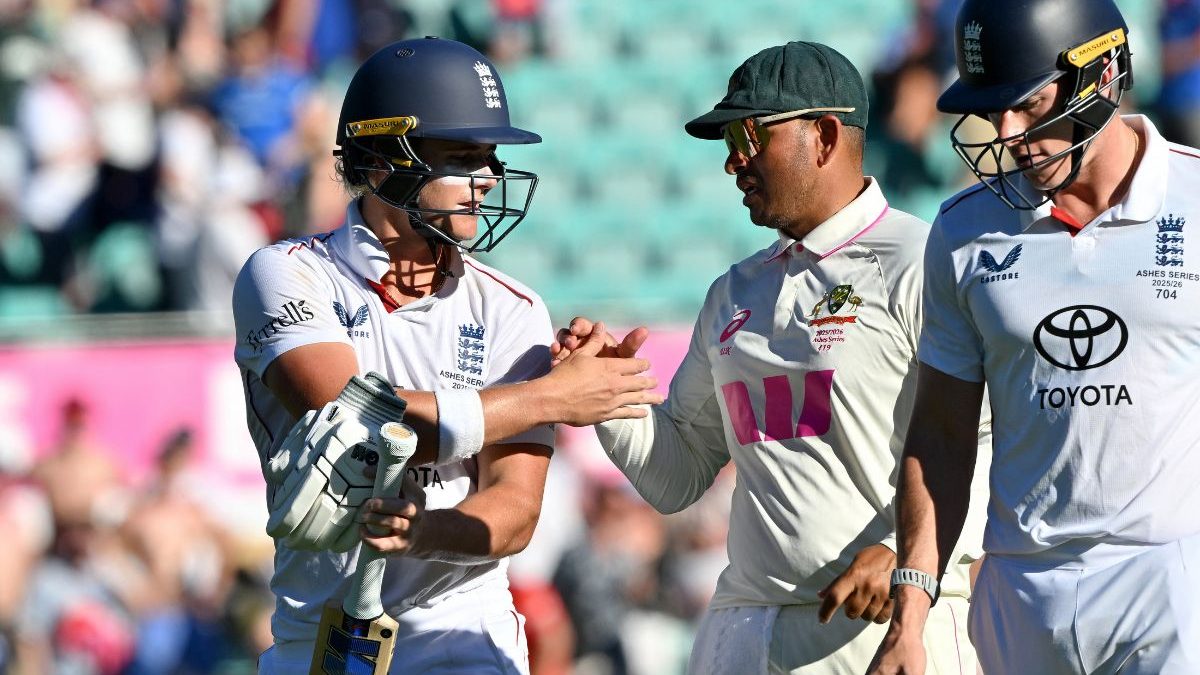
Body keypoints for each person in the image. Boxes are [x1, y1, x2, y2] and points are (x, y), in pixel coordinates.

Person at [551, 41, 989, 674]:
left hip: (887, 626)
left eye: (751, 135)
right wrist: (608, 396)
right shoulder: (735, 290)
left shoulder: (921, 263)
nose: (734, 162)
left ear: (826, 134)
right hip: (745, 627)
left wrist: (904, 554)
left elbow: (993, 443)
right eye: (730, 140)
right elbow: (677, 478)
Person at [231, 36, 662, 674]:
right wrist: (551, 396)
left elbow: (513, 514)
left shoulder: (513, 309)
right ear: (382, 161)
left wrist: (422, 533)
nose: (487, 178)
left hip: (464, 639)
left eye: (489, 157)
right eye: (462, 156)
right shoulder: (286, 275)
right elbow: (356, 433)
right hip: (313, 642)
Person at [867, 0, 1200, 672]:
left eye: (1028, 103)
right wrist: (911, 612)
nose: (1009, 133)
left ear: (1100, 74)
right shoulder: (962, 231)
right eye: (994, 111)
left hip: (1171, 575)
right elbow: (941, 437)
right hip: (1019, 588)